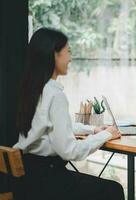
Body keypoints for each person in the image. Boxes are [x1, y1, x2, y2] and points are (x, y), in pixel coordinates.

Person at [14, 28, 124, 200]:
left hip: (27, 182)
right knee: (113, 190)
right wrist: (105, 135)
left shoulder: (32, 89)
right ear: (54, 55)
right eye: (68, 52)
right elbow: (70, 152)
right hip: (48, 184)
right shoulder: (55, 95)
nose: (70, 58)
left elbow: (51, 128)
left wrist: (92, 130)